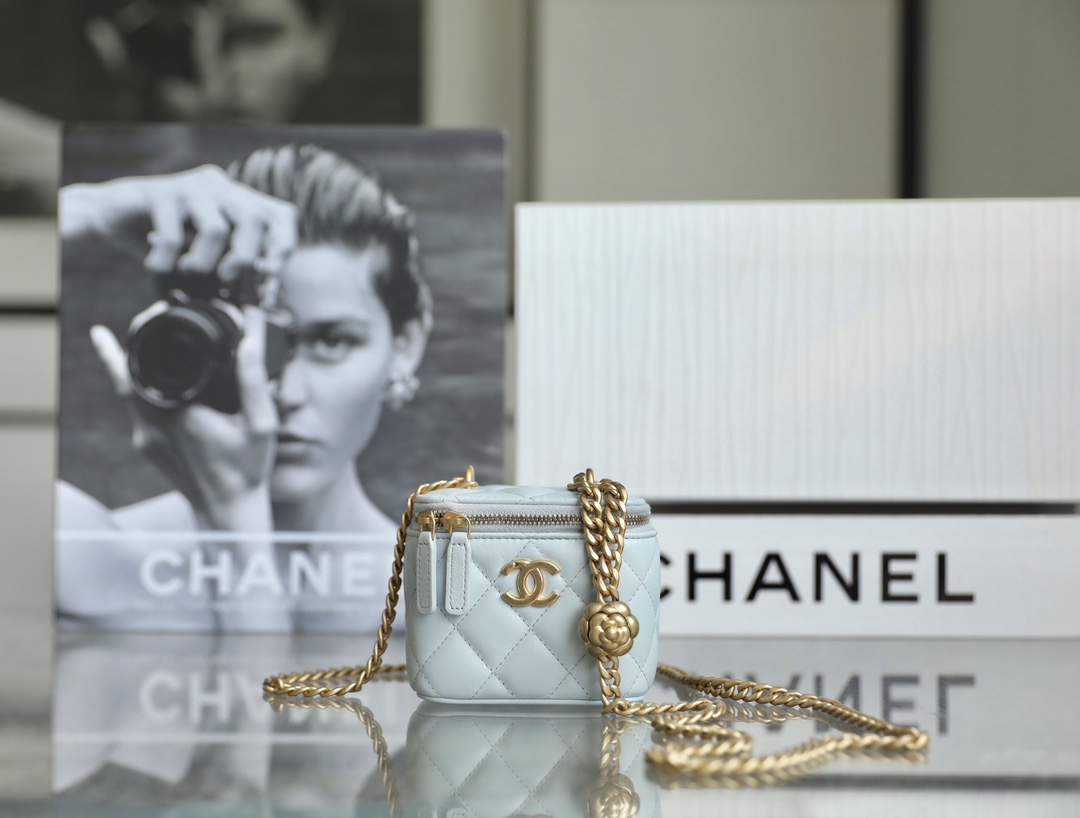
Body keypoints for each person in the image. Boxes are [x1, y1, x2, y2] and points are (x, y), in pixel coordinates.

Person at [56, 144, 431, 631]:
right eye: (250, 343)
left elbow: (261, 688)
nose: (286, 394)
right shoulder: (94, 558)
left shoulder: (444, 597)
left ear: (405, 345)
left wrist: (233, 523)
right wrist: (94, 210)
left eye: (332, 341)